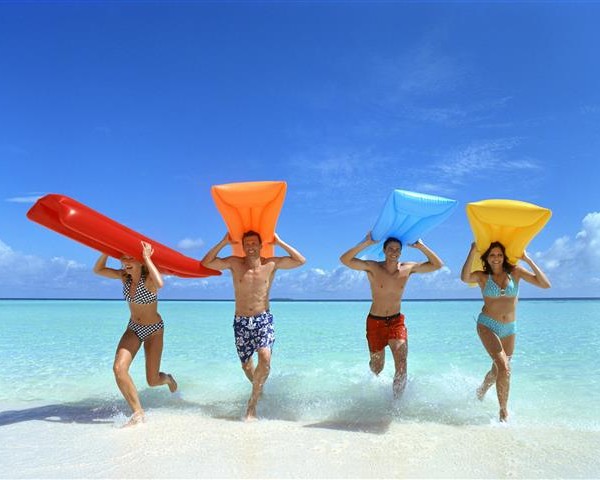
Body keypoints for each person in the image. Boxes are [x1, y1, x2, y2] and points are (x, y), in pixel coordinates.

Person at [201, 231, 305, 420]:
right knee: (246, 367)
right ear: (242, 246)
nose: (250, 247)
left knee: (265, 357)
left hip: (262, 319)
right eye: (247, 244)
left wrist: (280, 242)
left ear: (260, 246)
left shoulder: (270, 264)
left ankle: (252, 404)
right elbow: (206, 262)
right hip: (241, 322)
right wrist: (223, 242)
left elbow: (300, 261)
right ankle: (258, 388)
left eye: (254, 243)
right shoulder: (235, 263)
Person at [340, 232, 443, 398]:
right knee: (377, 368)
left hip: (396, 321)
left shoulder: (408, 268)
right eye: (390, 249)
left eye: (397, 249)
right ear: (384, 250)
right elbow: (345, 260)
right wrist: (366, 243)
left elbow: (437, 265)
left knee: (401, 362)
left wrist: (421, 246)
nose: (394, 252)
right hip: (375, 322)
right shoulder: (373, 267)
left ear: (401, 252)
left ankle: (396, 404)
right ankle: (371, 371)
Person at [460, 241, 550, 422]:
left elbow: (545, 284)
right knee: (505, 368)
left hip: (509, 328)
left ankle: (481, 390)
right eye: (492, 255)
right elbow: (464, 277)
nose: (496, 258)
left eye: (499, 255)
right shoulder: (482, 276)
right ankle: (503, 412)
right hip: (487, 325)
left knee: (497, 371)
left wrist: (527, 259)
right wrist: (472, 250)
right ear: (487, 258)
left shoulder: (516, 272)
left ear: (504, 257)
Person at [93, 240, 177, 426]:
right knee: (118, 369)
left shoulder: (149, 281)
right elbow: (98, 270)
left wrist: (147, 258)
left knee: (152, 380)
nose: (126, 262)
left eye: (130, 258)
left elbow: (160, 283)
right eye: (123, 259)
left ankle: (168, 379)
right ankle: (138, 413)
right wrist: (106, 251)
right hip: (133, 328)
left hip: (154, 330)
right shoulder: (125, 277)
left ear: (140, 261)